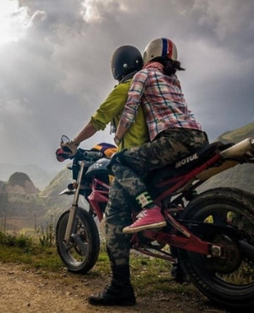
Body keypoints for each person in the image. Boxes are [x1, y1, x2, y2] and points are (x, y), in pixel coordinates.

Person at [88, 38, 208, 307]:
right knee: (175, 199)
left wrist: (118, 138)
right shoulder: (173, 79)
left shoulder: (141, 76)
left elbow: (128, 111)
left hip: (170, 140)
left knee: (117, 179)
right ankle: (184, 264)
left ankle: (121, 286)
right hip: (199, 138)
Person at [60, 45, 149, 307]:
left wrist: (74, 143)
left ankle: (121, 287)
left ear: (117, 67)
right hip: (159, 156)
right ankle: (182, 266)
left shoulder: (125, 90)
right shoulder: (150, 88)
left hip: (135, 159)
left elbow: (98, 120)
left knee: (113, 222)